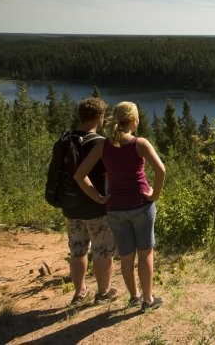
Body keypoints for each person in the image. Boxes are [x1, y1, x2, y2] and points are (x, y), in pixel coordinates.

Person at [75, 101, 166, 311]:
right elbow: (161, 171)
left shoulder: (103, 145)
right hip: (141, 206)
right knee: (145, 254)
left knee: (126, 257)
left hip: (115, 208)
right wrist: (154, 195)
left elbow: (79, 175)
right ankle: (148, 300)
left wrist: (99, 197)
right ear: (133, 121)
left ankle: (134, 297)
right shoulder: (139, 143)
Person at [65, 97, 117, 305]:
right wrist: (100, 197)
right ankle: (103, 292)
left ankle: (79, 293)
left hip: (71, 206)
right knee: (102, 250)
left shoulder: (65, 139)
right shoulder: (99, 143)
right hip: (95, 207)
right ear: (99, 117)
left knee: (77, 250)